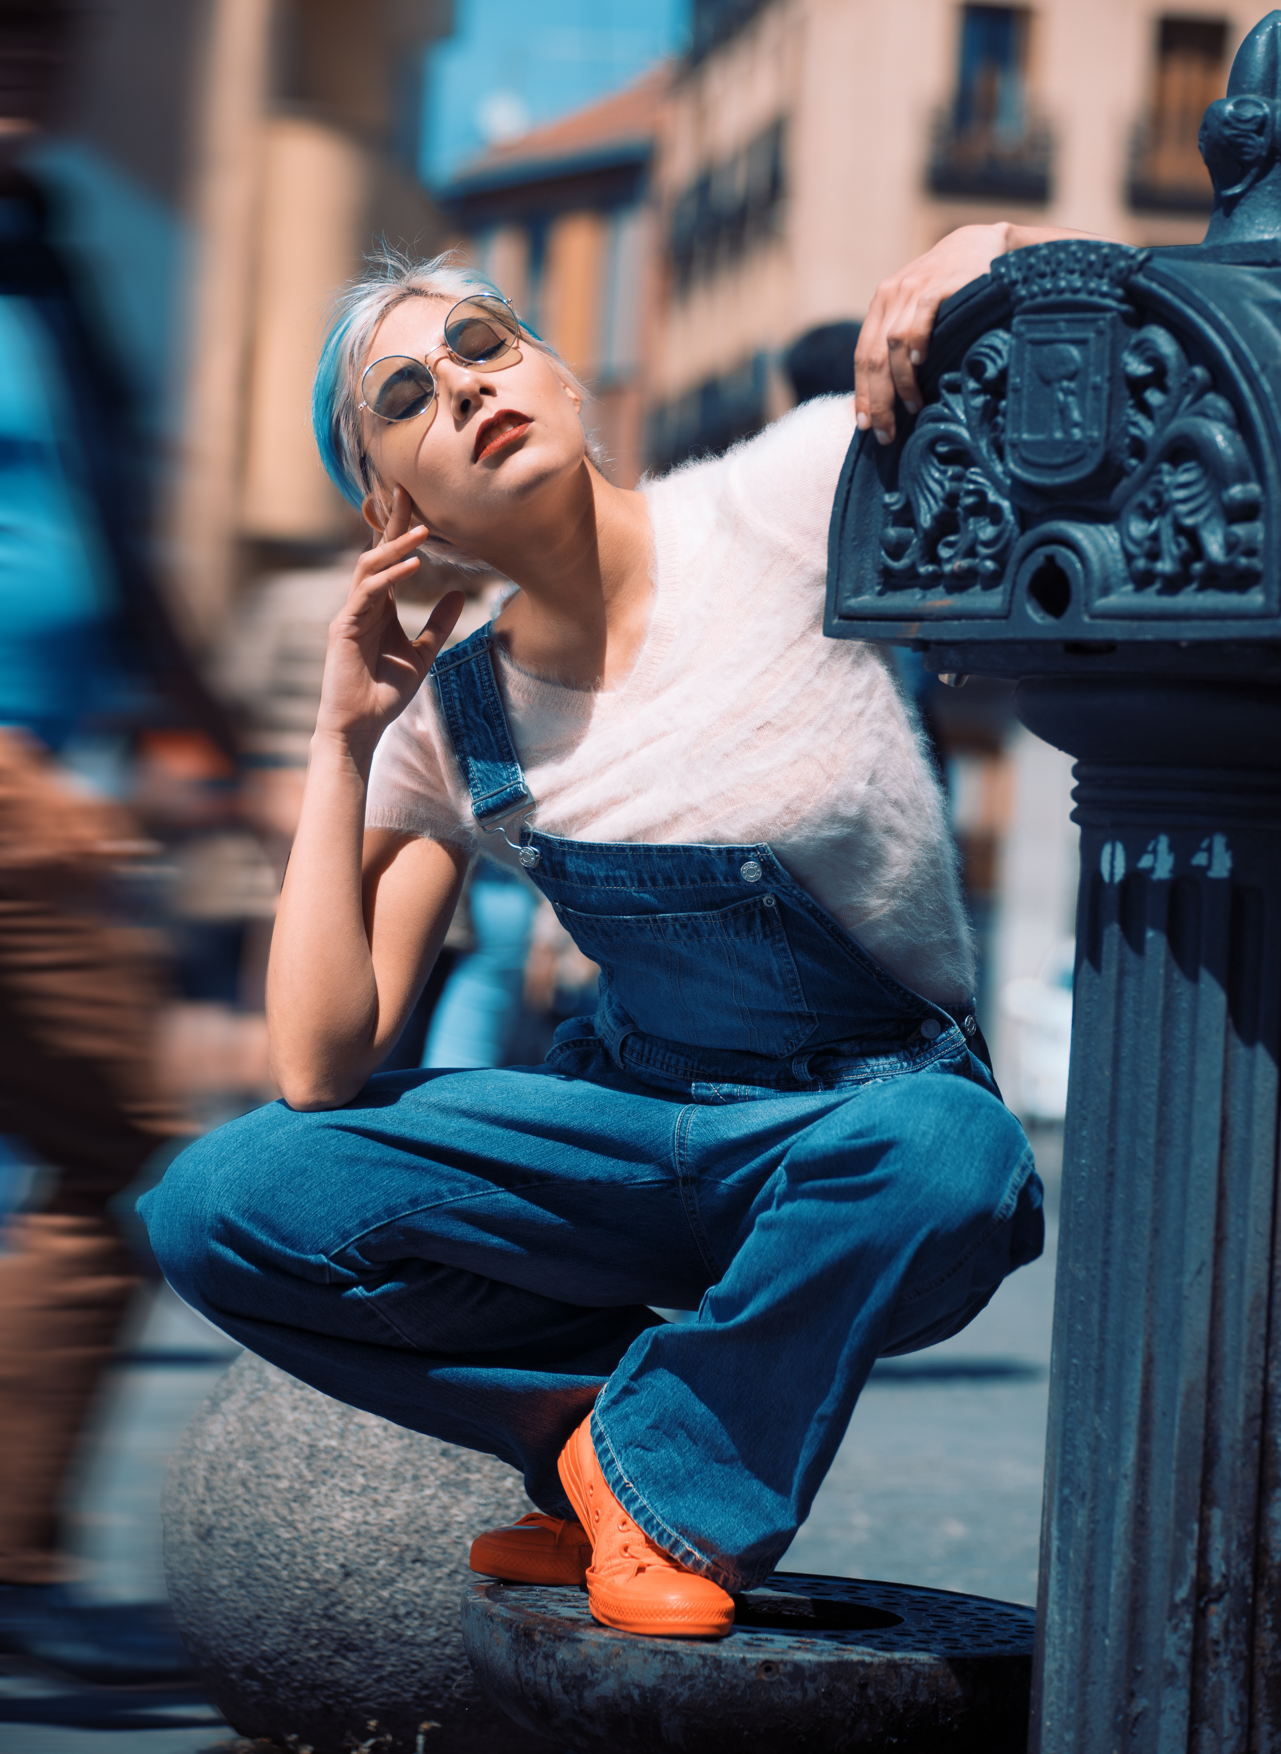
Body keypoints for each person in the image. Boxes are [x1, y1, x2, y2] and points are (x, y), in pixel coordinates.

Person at [142, 220, 1078, 1641]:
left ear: (567, 386)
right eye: (406, 398)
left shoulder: (785, 494)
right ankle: (603, 1436)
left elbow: (1093, 378)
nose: (460, 388)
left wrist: (983, 250)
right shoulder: (452, 720)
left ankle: (657, 1480)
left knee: (955, 1160)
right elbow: (322, 1064)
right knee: (224, 1204)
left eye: (482, 346)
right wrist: (343, 742)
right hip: (630, 1137)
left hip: (863, 1126)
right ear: (392, 509)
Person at [0, 0, 229, 1682]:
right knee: (107, 1155)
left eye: (52, 32)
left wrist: (190, 705)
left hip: (55, 780)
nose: (34, 64)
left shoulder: (51, 247)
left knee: (100, 1161)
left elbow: (101, 491)